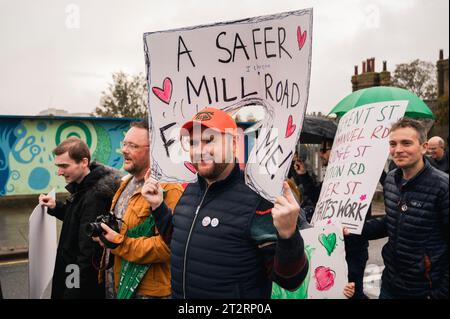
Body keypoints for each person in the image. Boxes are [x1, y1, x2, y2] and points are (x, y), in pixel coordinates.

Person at [141, 107, 309, 299]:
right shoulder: (190, 190)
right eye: (193, 142)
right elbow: (179, 241)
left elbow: (290, 280)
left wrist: (288, 235)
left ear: (234, 144)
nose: (199, 150)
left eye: (209, 140)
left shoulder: (258, 198)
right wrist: (158, 207)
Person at [93, 120, 183, 299]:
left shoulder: (168, 189)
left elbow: (167, 246)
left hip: (146, 292)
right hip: (117, 284)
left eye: (132, 145)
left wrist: (120, 244)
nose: (124, 150)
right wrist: (106, 235)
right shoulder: (126, 182)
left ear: (154, 150)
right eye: (124, 144)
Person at [361, 118, 449, 299]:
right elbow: (392, 221)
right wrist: (355, 230)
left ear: (424, 147)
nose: (398, 149)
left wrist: (441, 293)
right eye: (393, 144)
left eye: (406, 143)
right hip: (390, 284)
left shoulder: (443, 186)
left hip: (426, 290)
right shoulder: (392, 179)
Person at [39, 137, 121, 299]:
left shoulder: (95, 196)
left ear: (84, 162)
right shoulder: (83, 187)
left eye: (64, 166)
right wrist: (57, 207)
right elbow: (78, 221)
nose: (59, 172)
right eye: (58, 166)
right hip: (72, 271)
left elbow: (86, 255)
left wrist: (72, 291)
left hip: (76, 278)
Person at [294, 138, 370, 299]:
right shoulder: (332, 176)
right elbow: (317, 197)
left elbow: (362, 217)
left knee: (352, 292)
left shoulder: (359, 177)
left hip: (353, 247)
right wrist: (303, 175)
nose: (322, 154)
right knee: (333, 290)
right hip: (332, 244)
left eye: (325, 150)